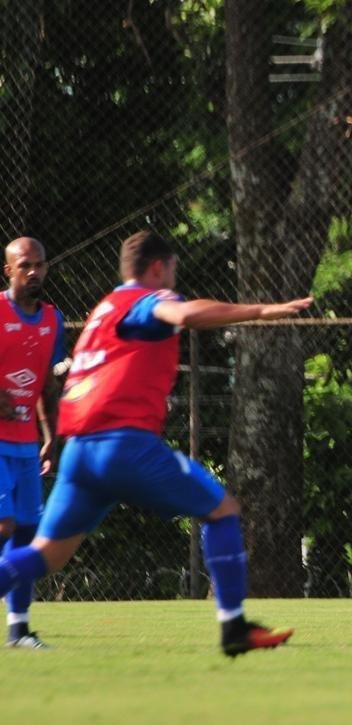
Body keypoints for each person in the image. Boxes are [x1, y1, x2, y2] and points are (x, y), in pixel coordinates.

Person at [0, 230, 312, 657]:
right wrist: (259, 310)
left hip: (80, 451)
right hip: (122, 445)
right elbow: (182, 313)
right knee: (222, 511)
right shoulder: (145, 300)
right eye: (172, 270)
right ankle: (234, 627)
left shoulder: (106, 308)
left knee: (46, 556)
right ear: (158, 268)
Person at [0, 238, 66, 649]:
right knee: (3, 524)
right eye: (25, 265)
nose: (33, 272)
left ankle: (18, 630)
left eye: (39, 264)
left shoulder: (53, 319)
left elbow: (45, 382)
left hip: (26, 443)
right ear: (8, 270)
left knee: (25, 534)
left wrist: (50, 434)